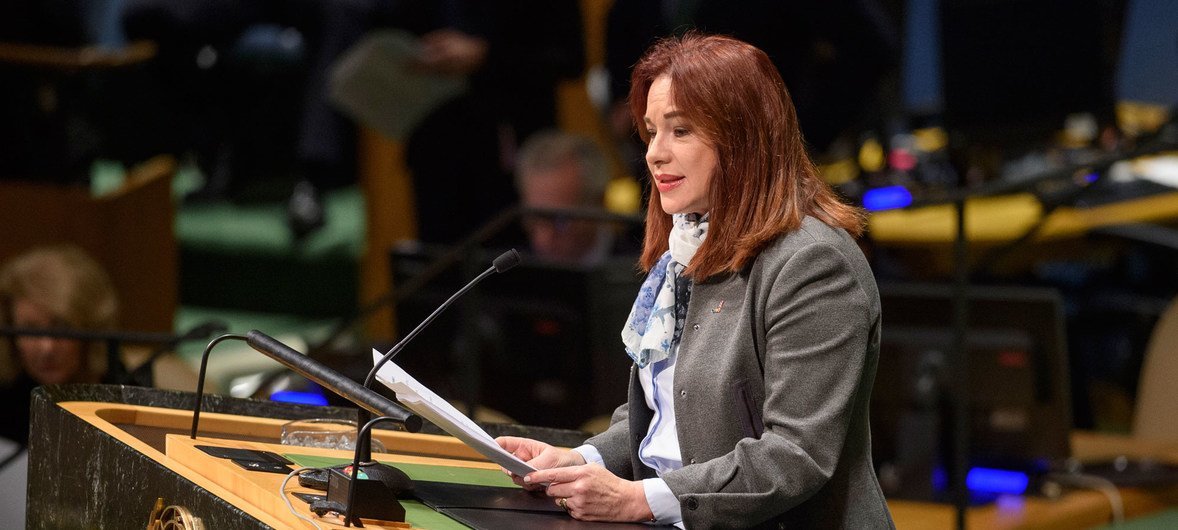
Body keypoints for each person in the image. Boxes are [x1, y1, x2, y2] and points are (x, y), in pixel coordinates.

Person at [496, 33, 894, 528]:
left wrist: (638, 500)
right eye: (651, 131)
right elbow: (668, 422)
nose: (654, 154)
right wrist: (583, 461)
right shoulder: (686, 248)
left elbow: (794, 456)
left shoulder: (813, 263)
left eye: (680, 131)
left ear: (742, 137)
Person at [0, 245, 120, 446]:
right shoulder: (5, 407)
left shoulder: (125, 399)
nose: (47, 348)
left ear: (90, 327)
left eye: (61, 327)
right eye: (31, 330)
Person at [513, 129, 630, 266]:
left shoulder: (645, 273)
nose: (543, 240)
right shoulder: (510, 272)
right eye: (534, 220)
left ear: (598, 204)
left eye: (560, 221)